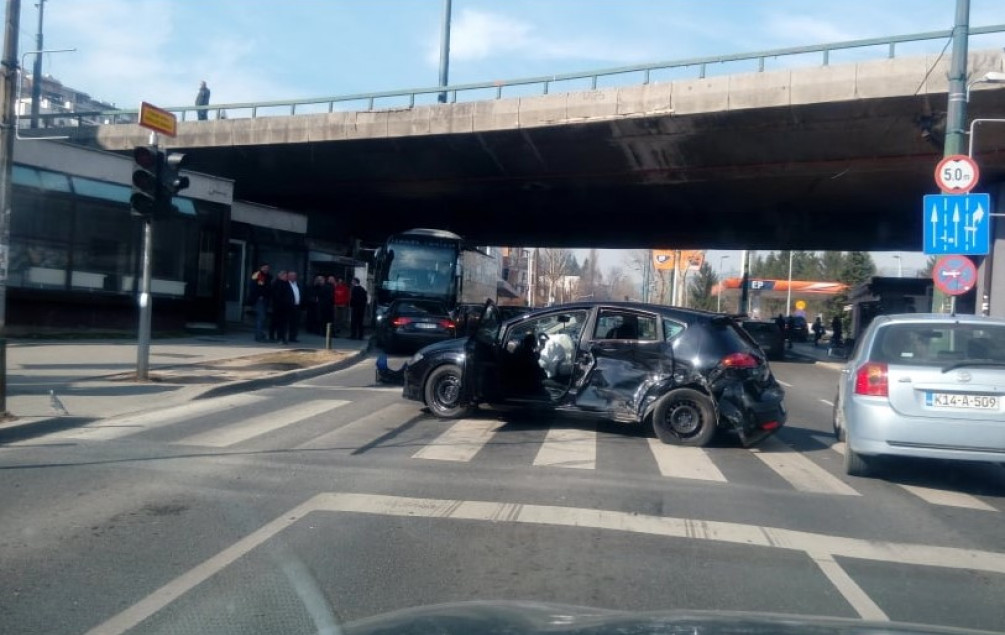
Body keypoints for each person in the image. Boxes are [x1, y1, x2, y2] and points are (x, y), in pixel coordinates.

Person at [247, 263, 272, 342]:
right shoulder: (258, 275)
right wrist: (259, 296)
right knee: (261, 317)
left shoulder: (268, 276)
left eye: (267, 268)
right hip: (259, 299)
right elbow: (254, 287)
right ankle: (258, 336)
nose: (266, 269)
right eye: (264, 267)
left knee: (262, 317)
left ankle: (260, 334)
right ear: (261, 268)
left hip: (265, 299)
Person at [270, 270, 289, 343]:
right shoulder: (276, 283)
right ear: (280, 276)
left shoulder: (286, 283)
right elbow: (276, 295)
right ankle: (275, 336)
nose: (286, 277)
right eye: (285, 276)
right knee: (276, 322)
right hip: (278, 306)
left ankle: (281, 337)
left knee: (283, 323)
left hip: (285, 307)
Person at [286, 271, 303, 343]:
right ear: (288, 277)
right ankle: (284, 336)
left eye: (294, 276)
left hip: (297, 306)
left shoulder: (298, 285)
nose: (293, 277)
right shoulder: (286, 285)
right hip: (289, 306)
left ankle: (293, 337)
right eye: (291, 276)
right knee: (288, 322)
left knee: (295, 322)